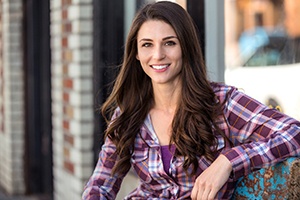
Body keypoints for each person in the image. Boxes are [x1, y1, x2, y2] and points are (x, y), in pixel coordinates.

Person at [82, 1, 300, 199]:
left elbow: (294, 133)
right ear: (136, 53)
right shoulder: (128, 114)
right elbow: (100, 186)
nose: (157, 55)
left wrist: (228, 161)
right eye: (147, 44)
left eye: (169, 43)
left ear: (185, 47)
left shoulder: (221, 104)